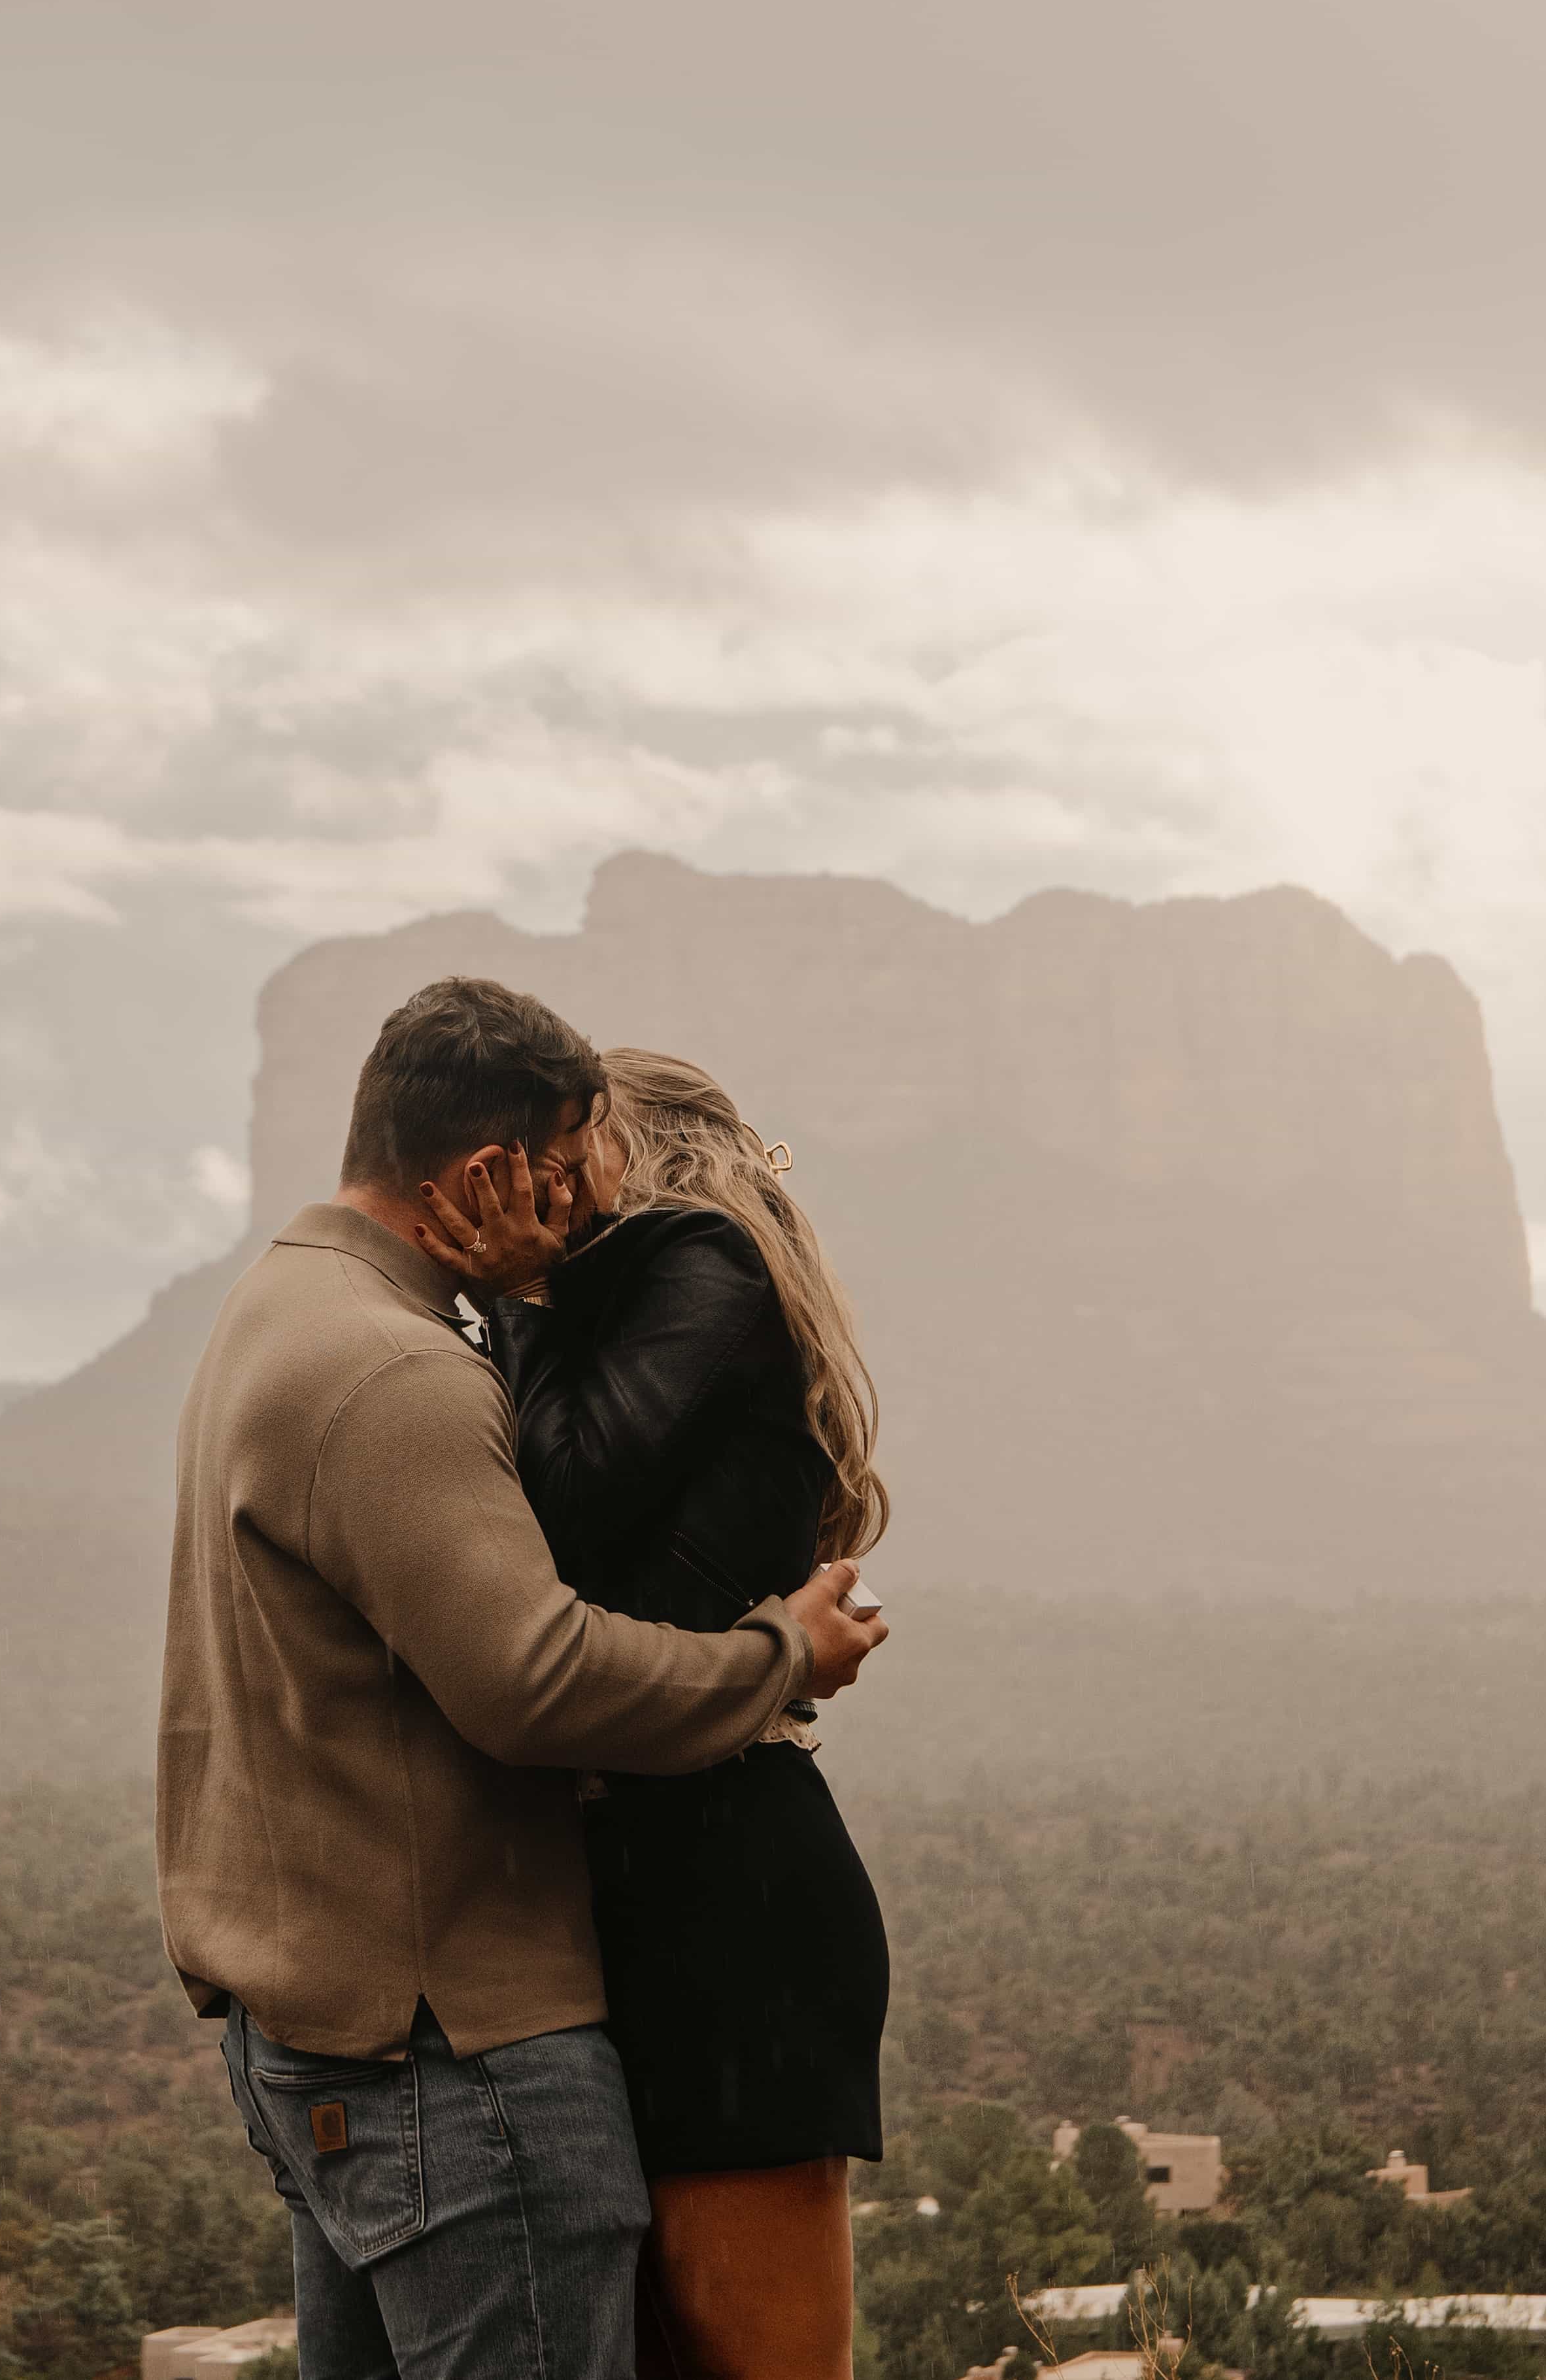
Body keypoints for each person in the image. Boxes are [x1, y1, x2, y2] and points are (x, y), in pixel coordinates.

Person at [156, 976, 893, 2380]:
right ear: (493, 1169)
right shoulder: (397, 1364)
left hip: (618, 1944)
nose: (568, 1206)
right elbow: (533, 1674)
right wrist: (784, 1654)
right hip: (453, 2029)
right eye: (560, 1169)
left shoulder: (285, 1313)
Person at [418, 1049, 892, 2380]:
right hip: (638, 1881)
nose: (536, 1184)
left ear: (634, 1144)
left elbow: (558, 1511)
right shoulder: (634, 1302)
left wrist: (513, 1288)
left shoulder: (704, 1259)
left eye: (564, 1148)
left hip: (725, 1900)